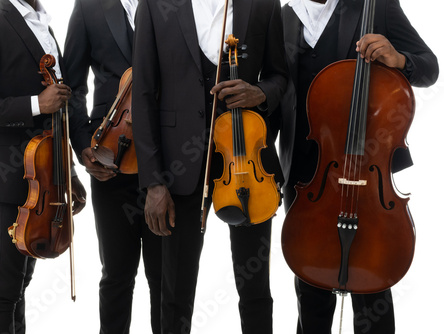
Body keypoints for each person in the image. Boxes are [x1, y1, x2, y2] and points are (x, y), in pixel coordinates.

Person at [278, 0, 439, 333]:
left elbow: (430, 67)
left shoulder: (377, 5)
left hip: (365, 173)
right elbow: (276, 89)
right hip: (307, 178)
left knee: (372, 291)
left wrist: (399, 60)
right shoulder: (285, 15)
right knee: (310, 292)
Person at [132, 0, 288, 333]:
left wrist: (259, 92)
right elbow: (142, 93)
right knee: (174, 293)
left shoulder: (264, 4)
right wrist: (154, 182)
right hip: (178, 165)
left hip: (245, 158)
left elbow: (280, 76)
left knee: (255, 289)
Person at [0, 0, 86, 333]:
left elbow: (58, 113)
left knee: (20, 285)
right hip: (6, 179)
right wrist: (35, 104)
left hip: (44, 180)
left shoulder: (46, 27)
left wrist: (69, 175)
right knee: (2, 290)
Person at [63, 0, 162, 333]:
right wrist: (81, 145)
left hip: (167, 157)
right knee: (117, 274)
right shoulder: (88, 6)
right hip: (109, 152)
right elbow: (73, 87)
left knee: (166, 277)